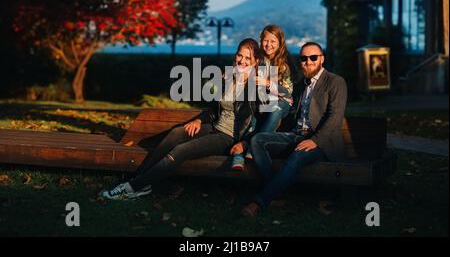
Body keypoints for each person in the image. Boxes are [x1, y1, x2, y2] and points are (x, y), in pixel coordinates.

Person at [99, 38, 262, 200]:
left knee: (180, 150)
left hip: (229, 138)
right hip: (215, 127)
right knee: (177, 132)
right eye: (240, 55)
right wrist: (198, 120)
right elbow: (214, 109)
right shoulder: (230, 78)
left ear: (256, 62)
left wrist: (245, 142)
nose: (242, 61)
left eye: (248, 58)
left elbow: (260, 121)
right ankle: (139, 182)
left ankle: (130, 188)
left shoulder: (256, 86)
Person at [241, 42, 348, 217]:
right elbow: (290, 110)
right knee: (257, 140)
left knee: (297, 154)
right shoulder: (300, 85)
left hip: (322, 142)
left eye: (313, 57)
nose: (308, 62)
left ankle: (259, 202)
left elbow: (334, 119)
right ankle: (275, 193)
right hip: (296, 135)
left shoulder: (335, 82)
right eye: (304, 58)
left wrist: (314, 141)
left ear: (322, 59)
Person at [230, 24, 295, 170]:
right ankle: (239, 155)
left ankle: (252, 147)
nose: (269, 44)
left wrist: (268, 83)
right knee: (250, 117)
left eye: (273, 41)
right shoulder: (258, 58)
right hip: (261, 101)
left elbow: (288, 93)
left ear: (280, 43)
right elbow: (242, 66)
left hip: (282, 102)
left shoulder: (284, 62)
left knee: (275, 109)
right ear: (261, 40)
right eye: (266, 40)